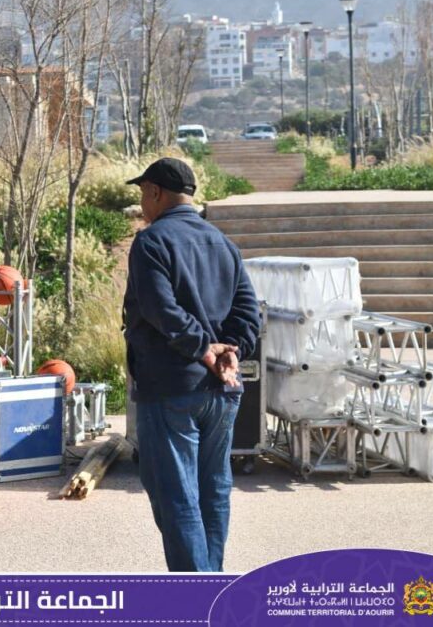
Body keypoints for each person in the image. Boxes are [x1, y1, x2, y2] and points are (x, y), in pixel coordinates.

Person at [123, 157, 259, 572]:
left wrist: (204, 349)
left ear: (155, 192)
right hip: (222, 389)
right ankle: (211, 584)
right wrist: (232, 350)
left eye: (143, 193)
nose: (142, 203)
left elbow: (161, 310)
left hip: (171, 388)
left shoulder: (151, 242)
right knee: (212, 492)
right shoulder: (223, 243)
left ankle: (195, 596)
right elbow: (249, 311)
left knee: (176, 497)